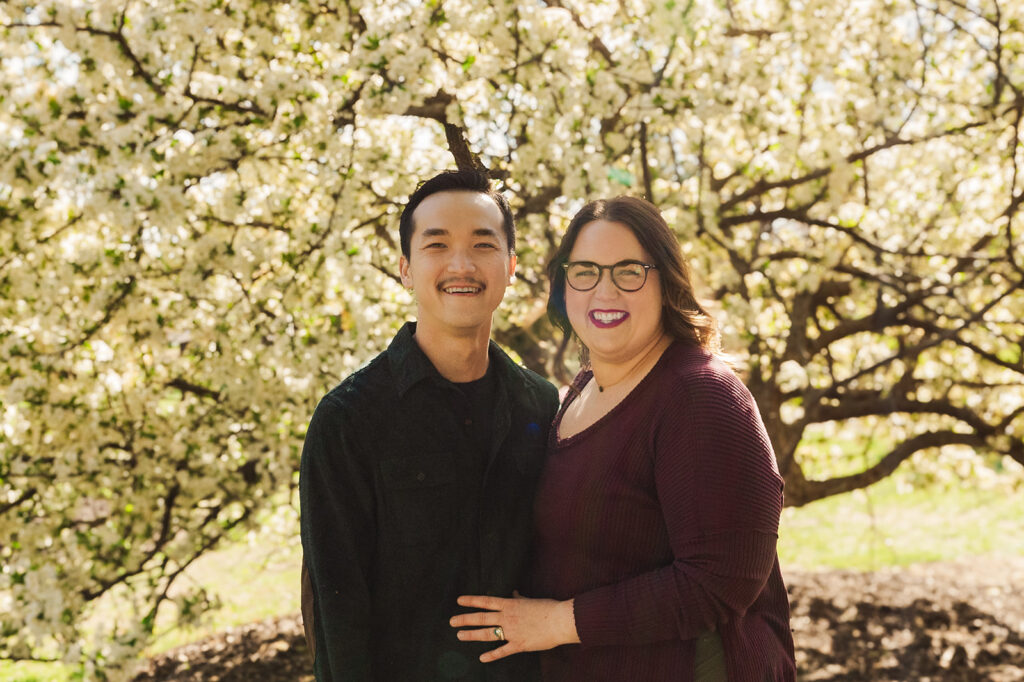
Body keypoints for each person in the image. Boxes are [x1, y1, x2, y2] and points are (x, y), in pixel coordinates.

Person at [450, 196, 797, 681]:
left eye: (629, 271)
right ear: (563, 285)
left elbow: (721, 580)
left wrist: (555, 622)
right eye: (585, 271)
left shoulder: (699, 395)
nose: (604, 291)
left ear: (665, 281)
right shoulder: (583, 388)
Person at [300, 169, 560, 681]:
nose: (460, 265)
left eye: (483, 246)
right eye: (437, 245)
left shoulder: (541, 405)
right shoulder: (349, 420)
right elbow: (337, 621)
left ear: (510, 267)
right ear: (405, 268)